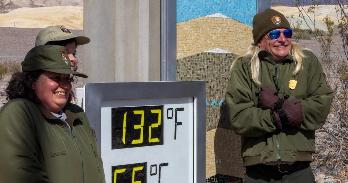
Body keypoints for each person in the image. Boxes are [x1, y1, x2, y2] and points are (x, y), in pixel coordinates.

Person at [224, 8, 333, 182]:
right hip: (257, 172)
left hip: (299, 170)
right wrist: (278, 116)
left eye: (287, 33)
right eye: (274, 34)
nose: (282, 39)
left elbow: (321, 105)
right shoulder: (244, 67)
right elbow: (239, 117)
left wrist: (283, 107)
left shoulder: (307, 63)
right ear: (260, 40)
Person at [0, 45, 105, 183]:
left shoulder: (77, 115)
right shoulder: (19, 114)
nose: (65, 85)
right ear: (32, 81)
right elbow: (18, 174)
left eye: (67, 78)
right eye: (56, 78)